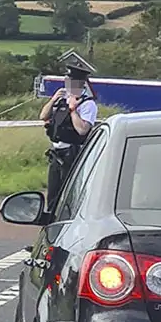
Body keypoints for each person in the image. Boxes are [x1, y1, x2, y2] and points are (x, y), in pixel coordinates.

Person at [40, 58, 98, 212]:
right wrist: (53, 99)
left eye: (73, 82)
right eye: (68, 81)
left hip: (72, 153)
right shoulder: (61, 100)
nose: (69, 85)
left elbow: (82, 130)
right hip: (56, 153)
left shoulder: (87, 104)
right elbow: (43, 116)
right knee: (53, 195)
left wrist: (73, 110)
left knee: (69, 194)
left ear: (81, 84)